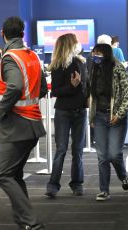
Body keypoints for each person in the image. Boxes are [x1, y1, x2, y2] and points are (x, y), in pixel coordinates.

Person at [0, 16, 47, 230]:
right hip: (33, 124)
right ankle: (23, 221)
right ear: (23, 34)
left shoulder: (9, 58)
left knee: (3, 174)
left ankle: (32, 223)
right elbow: (43, 88)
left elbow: (14, 87)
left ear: (2, 33)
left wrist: (1, 110)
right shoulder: (32, 55)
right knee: (14, 174)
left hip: (17, 125)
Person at [45, 33, 89, 197]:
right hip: (63, 111)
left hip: (80, 111)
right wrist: (71, 86)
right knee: (61, 149)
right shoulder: (57, 66)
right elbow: (55, 91)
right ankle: (53, 185)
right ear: (70, 44)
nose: (79, 43)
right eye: (76, 41)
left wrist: (87, 95)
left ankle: (77, 184)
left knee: (77, 150)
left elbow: (85, 86)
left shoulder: (81, 62)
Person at [89, 43, 128, 201]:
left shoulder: (118, 68)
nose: (95, 56)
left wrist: (119, 114)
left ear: (106, 54)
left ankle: (123, 176)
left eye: (97, 53)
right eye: (94, 53)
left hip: (116, 118)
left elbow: (127, 95)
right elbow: (92, 96)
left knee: (114, 154)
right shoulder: (94, 69)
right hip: (99, 116)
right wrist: (92, 117)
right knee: (102, 156)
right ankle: (104, 190)